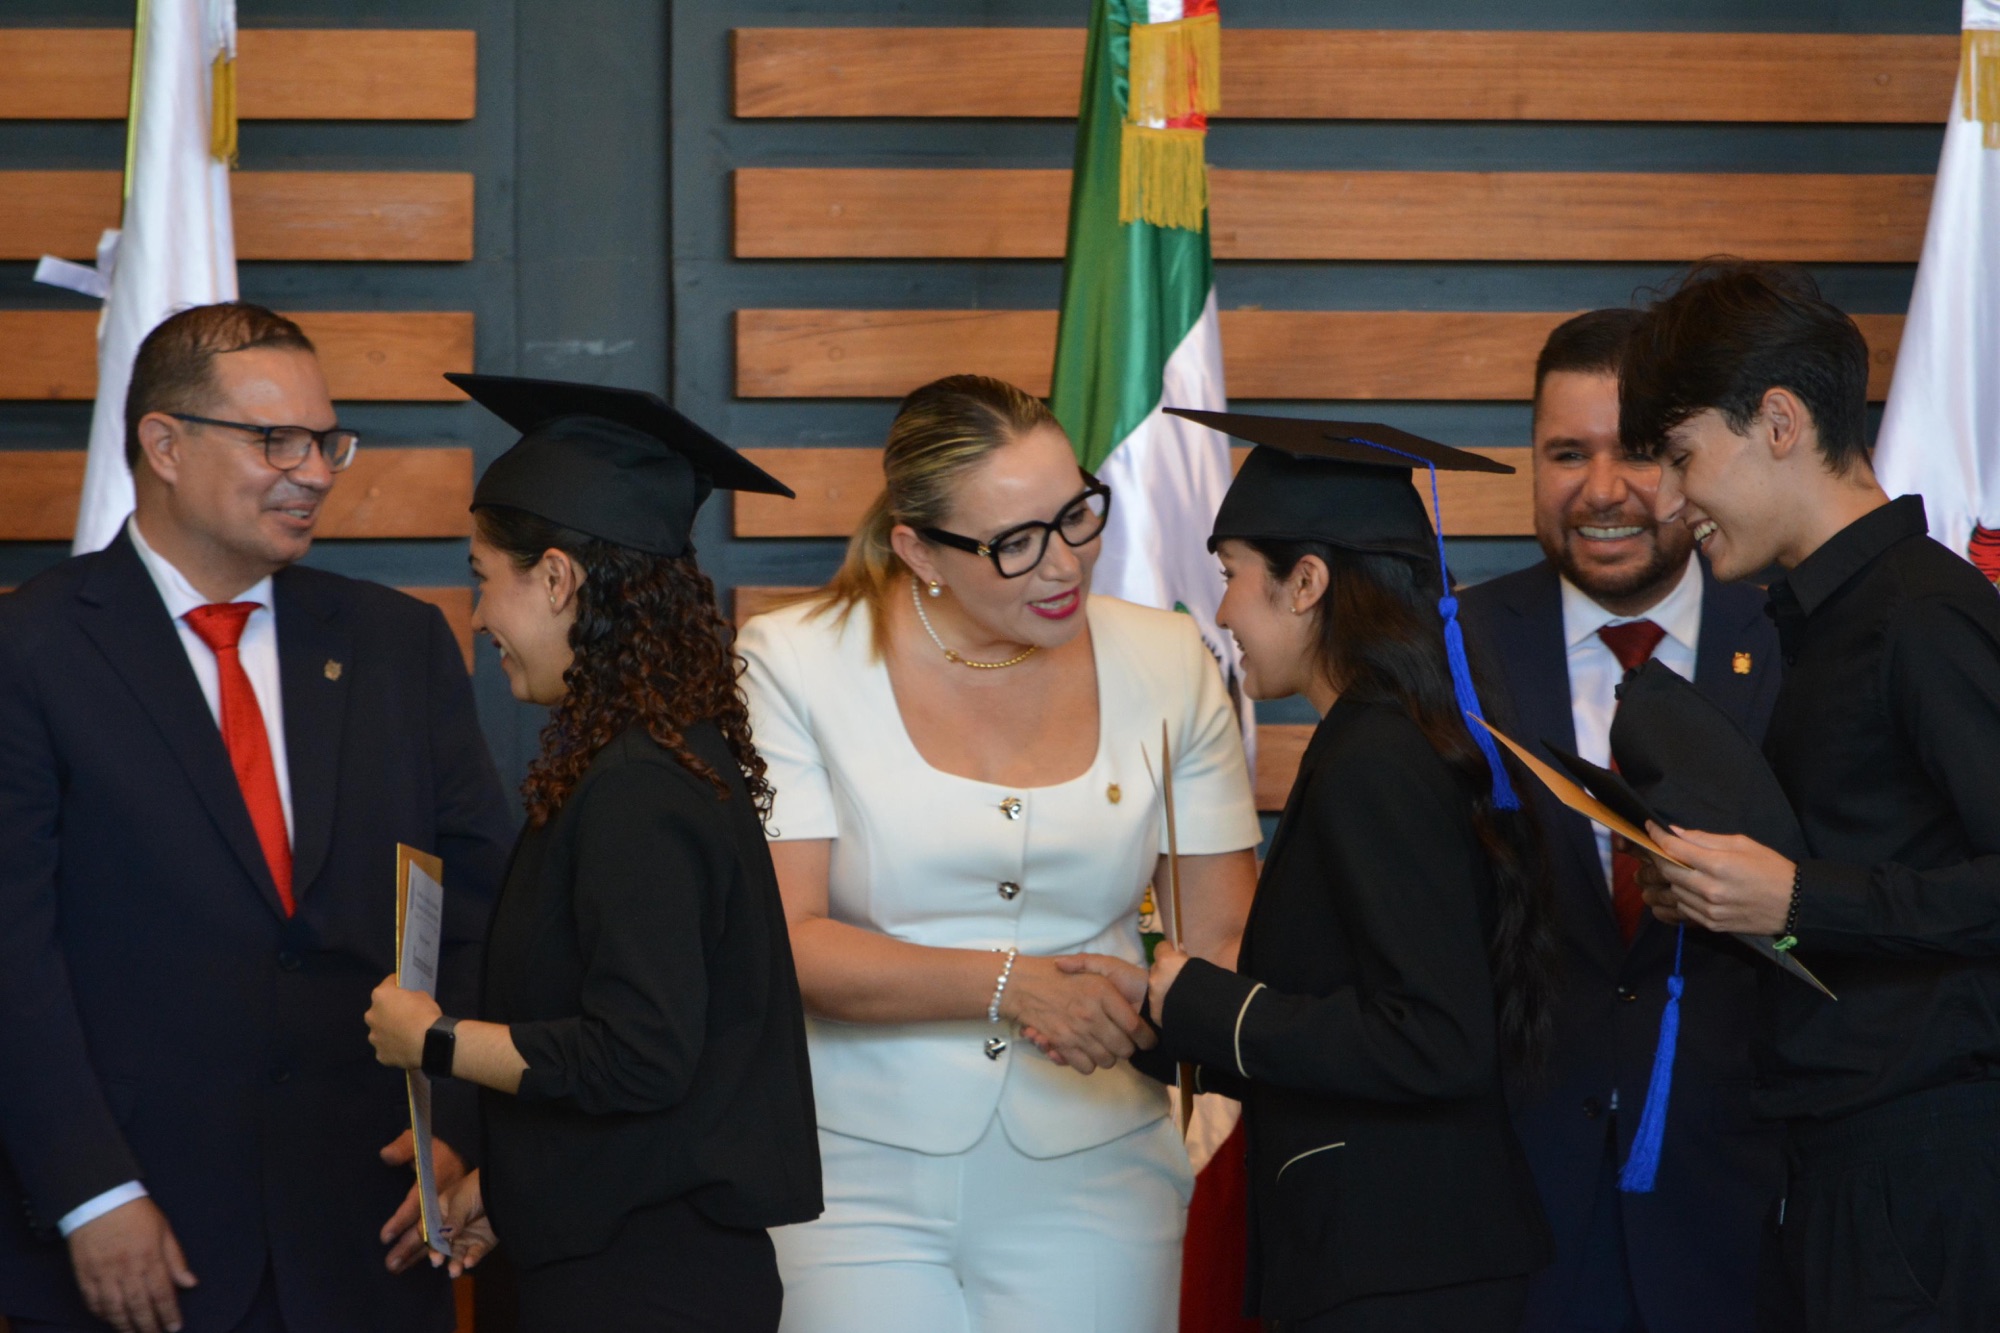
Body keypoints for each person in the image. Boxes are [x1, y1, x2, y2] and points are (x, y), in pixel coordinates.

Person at [0, 303, 513, 1333]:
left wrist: (455, 1125)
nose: (315, 472)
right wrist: (89, 1190)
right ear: (164, 444)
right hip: (135, 1237)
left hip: (370, 1228)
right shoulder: (31, 648)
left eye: (327, 441)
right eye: (277, 440)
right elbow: (13, 948)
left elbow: (482, 913)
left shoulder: (398, 646)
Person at [735, 374, 1261, 1333]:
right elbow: (789, 940)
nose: (1064, 564)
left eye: (1076, 515)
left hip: (1103, 1166)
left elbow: (1226, 937)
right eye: (1015, 542)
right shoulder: (792, 658)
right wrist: (1018, 986)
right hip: (850, 1172)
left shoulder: (1170, 659)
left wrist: (1154, 1004)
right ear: (917, 548)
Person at [364, 375, 823, 1333]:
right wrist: (511, 1192)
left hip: (649, 1290)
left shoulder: (638, 784)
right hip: (631, 1260)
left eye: (484, 576)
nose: (478, 616)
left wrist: (433, 1037)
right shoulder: (654, 755)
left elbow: (637, 1056)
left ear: (557, 578)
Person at [1621, 259, 2000, 1332]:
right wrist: (1723, 895)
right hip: (1835, 1164)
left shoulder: (1918, 612)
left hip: (1924, 1172)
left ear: (1778, 422)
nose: (1667, 500)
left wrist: (1792, 897)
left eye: (1681, 455)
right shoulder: (1822, 620)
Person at [1138, 409, 1556, 1332]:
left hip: (1398, 1269)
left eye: (1231, 575)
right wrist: (1157, 1020)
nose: (1221, 612)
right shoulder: (1390, 734)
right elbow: (1345, 1010)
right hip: (1399, 1259)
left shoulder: (1378, 754)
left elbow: (1432, 1038)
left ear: (1307, 582)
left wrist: (1205, 1002)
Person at [1459, 310, 1785, 1333]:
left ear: (1691, 461)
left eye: (1638, 451)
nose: (1601, 490)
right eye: (1566, 453)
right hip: (1517, 1220)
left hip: (1744, 1217)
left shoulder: (1788, 640)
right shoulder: (1457, 650)